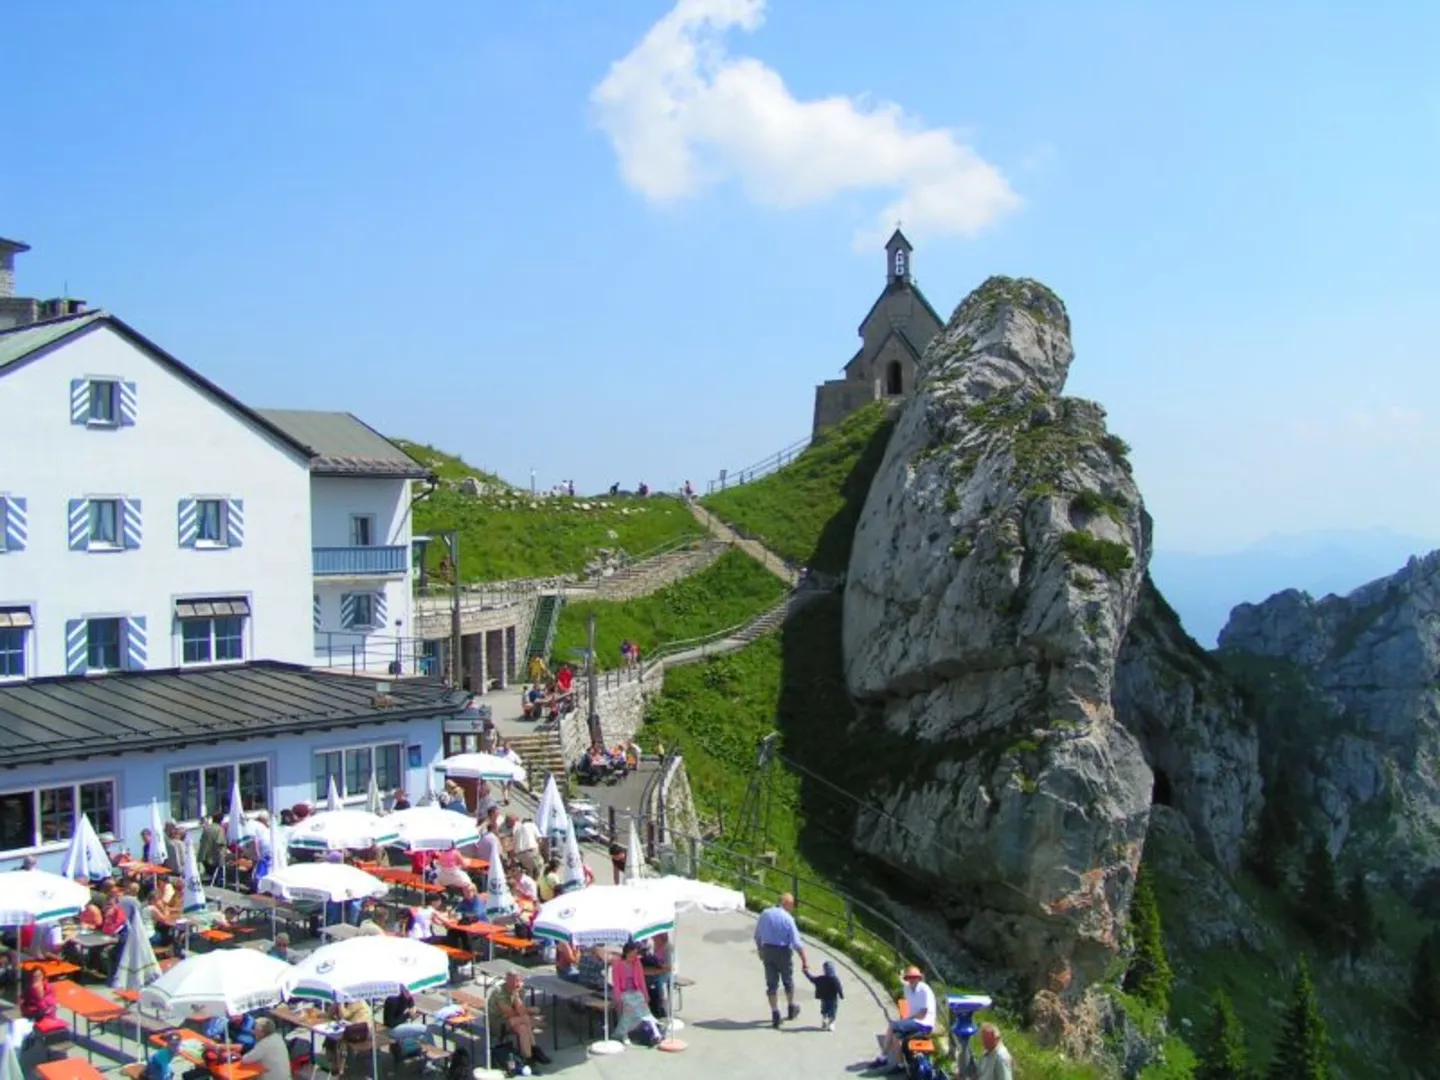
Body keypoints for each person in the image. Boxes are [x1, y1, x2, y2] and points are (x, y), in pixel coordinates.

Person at [753, 892, 808, 1029]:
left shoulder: (765, 914)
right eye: (791, 905)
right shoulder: (788, 918)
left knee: (771, 984)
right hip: (783, 952)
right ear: (786, 903)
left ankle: (775, 1012)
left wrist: (760, 950)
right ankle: (790, 1008)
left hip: (768, 951)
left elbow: (757, 935)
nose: (792, 907)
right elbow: (796, 942)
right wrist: (804, 960)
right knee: (788, 981)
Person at [873, 966, 936, 1071]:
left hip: (924, 1024)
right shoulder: (907, 989)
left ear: (919, 978)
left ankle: (883, 1057)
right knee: (896, 1037)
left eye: (915, 977)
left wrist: (906, 1021)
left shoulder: (924, 989)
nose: (912, 979)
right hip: (914, 1022)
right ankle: (901, 1065)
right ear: (906, 978)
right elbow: (909, 1008)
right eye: (909, 977)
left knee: (892, 1025)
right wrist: (906, 1021)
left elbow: (923, 1013)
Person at [487, 970, 550, 1070]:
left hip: (514, 1020)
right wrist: (529, 1010)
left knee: (523, 1028)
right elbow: (510, 1013)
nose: (515, 983)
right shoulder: (499, 991)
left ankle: (529, 1058)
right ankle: (535, 1048)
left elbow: (521, 1012)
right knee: (525, 1019)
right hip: (497, 1023)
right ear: (506, 980)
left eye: (517, 980)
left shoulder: (520, 989)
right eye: (512, 980)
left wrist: (516, 995)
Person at [611, 940, 661, 1045]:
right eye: (633, 953)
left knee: (645, 1010)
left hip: (635, 991)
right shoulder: (618, 964)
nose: (635, 956)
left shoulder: (636, 962)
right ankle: (624, 1034)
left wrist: (646, 995)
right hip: (623, 992)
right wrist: (618, 998)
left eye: (636, 953)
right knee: (628, 1009)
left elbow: (641, 980)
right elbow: (616, 984)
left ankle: (655, 1032)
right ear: (627, 953)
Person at [803, 959, 844, 1031]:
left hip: (824, 998)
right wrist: (841, 995)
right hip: (833, 999)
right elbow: (839, 987)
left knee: (824, 1010)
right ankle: (831, 1023)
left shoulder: (821, 979)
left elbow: (812, 979)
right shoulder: (834, 979)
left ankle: (824, 1020)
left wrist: (806, 972)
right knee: (832, 1011)